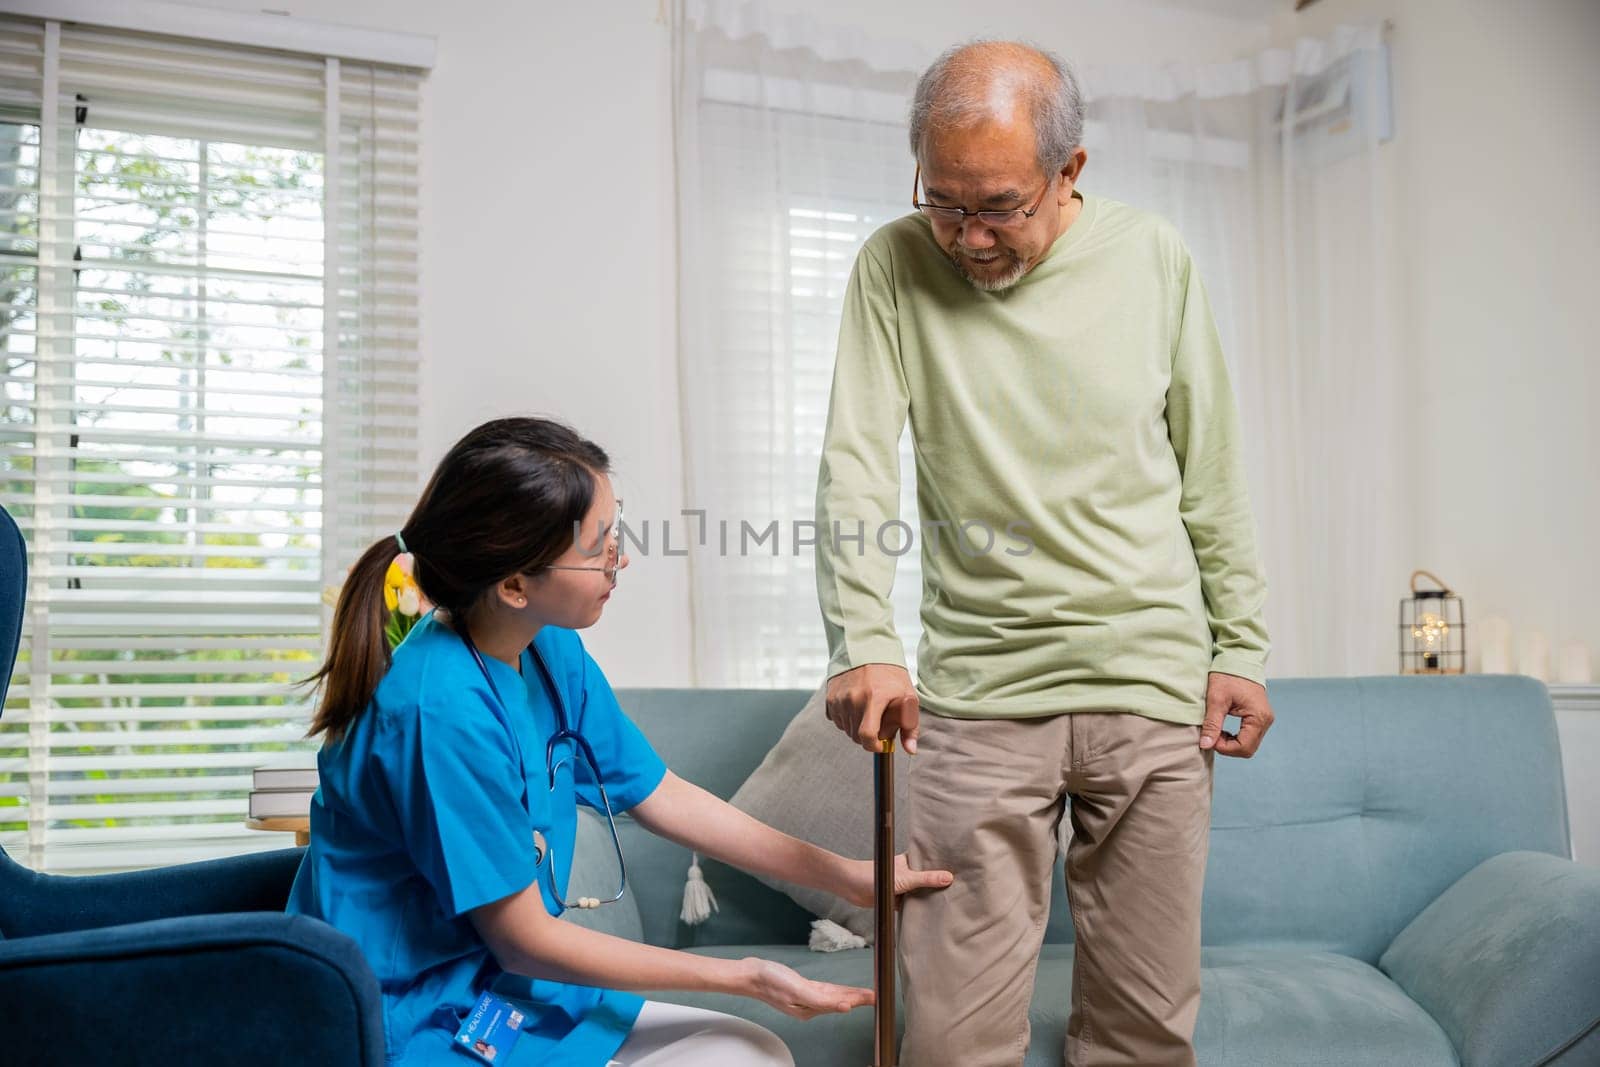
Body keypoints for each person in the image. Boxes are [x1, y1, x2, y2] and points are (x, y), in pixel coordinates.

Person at [814, 40, 1275, 1067]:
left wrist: (1240, 642)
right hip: (975, 701)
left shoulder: (1153, 256)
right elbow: (854, 461)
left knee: (1141, 1038)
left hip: (1151, 690)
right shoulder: (894, 262)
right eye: (945, 202)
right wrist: (862, 639)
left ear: (1069, 172)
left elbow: (1212, 466)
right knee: (943, 1041)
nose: (968, 237)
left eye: (998, 207)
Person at [290, 417, 952, 1066]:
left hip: (507, 995)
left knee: (750, 1050)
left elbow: (660, 795)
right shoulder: (440, 711)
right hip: (416, 1018)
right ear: (515, 584)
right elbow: (523, 939)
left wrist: (850, 875)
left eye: (618, 531)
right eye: (598, 545)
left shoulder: (550, 650)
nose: (622, 558)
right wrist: (748, 976)